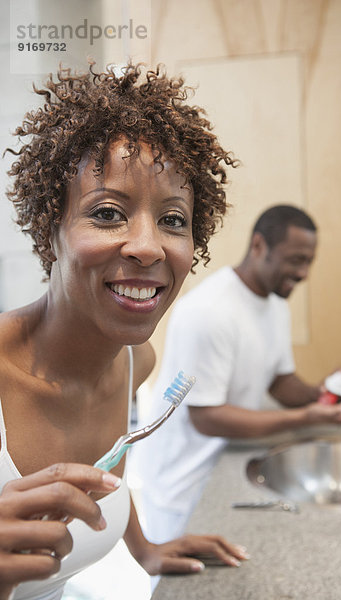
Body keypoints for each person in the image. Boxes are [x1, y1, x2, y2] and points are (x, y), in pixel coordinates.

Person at [0, 62, 249, 600]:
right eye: (109, 213)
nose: (148, 246)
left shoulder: (136, 361)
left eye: (174, 219)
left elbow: (109, 468)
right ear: (51, 228)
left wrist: (146, 547)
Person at [132, 204, 341, 544]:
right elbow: (207, 417)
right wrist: (307, 417)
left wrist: (323, 396)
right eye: (296, 259)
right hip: (182, 485)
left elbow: (279, 379)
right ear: (259, 246)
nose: (304, 273)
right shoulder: (209, 312)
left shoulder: (274, 303)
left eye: (309, 261)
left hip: (229, 465)